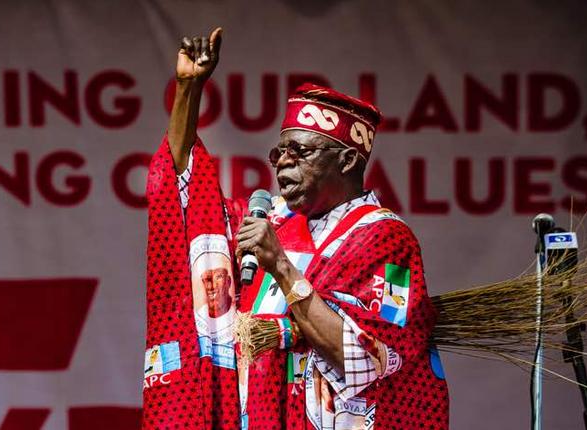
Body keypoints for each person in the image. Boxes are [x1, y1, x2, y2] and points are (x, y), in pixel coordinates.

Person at [145, 27, 449, 429]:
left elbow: (365, 359)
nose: (283, 163)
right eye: (279, 152)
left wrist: (281, 266)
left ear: (346, 161)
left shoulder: (384, 239)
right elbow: (185, 195)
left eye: (300, 151)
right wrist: (188, 90)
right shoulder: (269, 221)